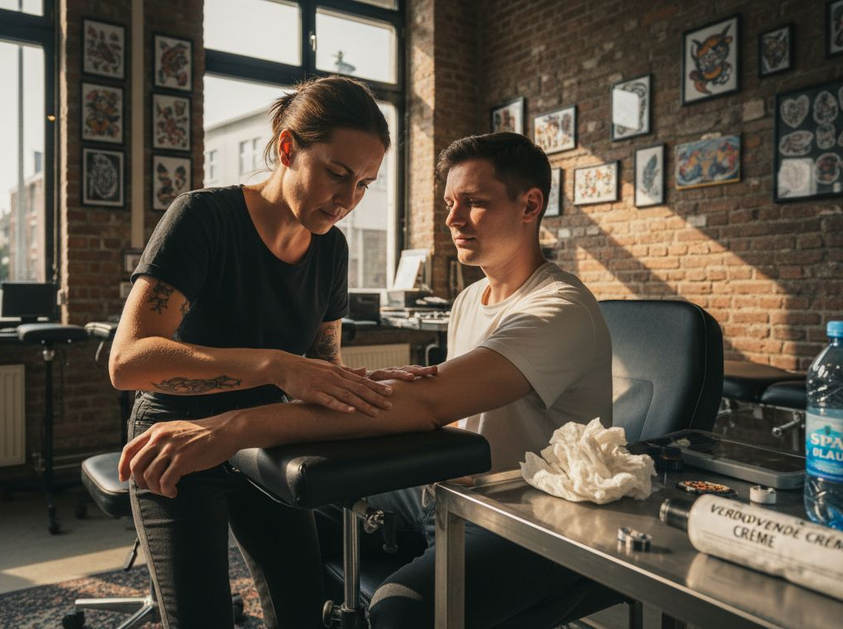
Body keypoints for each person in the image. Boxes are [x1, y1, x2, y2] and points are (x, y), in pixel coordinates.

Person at [119, 132, 614, 628]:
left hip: (525, 513)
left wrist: (231, 428)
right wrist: (355, 381)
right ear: (288, 150)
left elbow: (426, 405)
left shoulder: (559, 308)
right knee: (315, 513)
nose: (452, 220)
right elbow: (427, 399)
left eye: (474, 203)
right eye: (449, 203)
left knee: (397, 608)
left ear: (530, 205)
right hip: (454, 489)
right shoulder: (470, 300)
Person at [109, 75, 434, 629]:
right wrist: (274, 364)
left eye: (364, 183)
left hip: (269, 435)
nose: (348, 199)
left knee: (301, 611)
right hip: (176, 435)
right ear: (288, 147)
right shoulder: (203, 218)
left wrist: (360, 382)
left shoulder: (331, 249)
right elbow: (129, 361)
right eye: (337, 174)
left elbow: (321, 364)